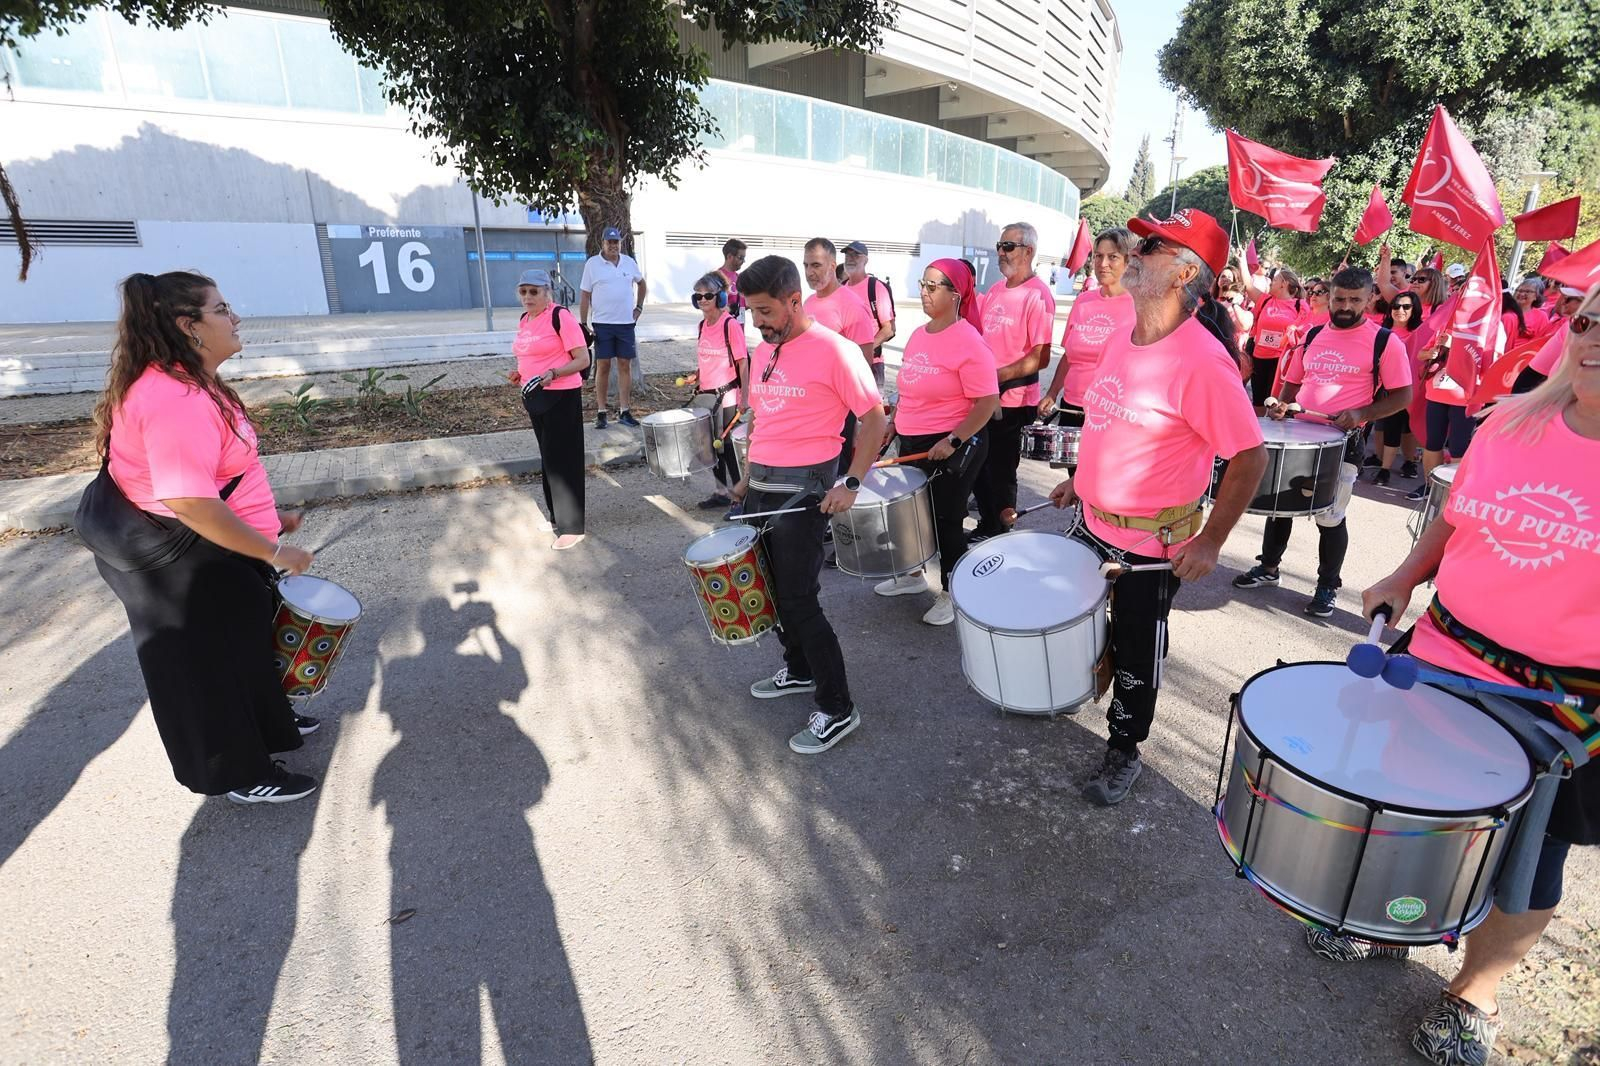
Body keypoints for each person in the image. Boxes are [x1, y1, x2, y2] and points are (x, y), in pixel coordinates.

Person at [1309, 285, 1600, 1066]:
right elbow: (1455, 518)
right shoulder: (1512, 420)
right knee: (1402, 806)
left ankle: (1475, 993)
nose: (1595, 338)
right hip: (1443, 654)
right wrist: (1405, 574)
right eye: (1588, 320)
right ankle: (1386, 919)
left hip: (1567, 702)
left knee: (1531, 856)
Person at [1048, 209, 1267, 805]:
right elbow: (1108, 419)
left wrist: (1212, 541)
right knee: (1074, 624)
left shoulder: (1202, 361)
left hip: (1150, 544)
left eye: (1154, 245)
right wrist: (1081, 483)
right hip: (1089, 521)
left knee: (1138, 649)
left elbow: (1249, 458)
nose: (1136, 250)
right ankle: (1065, 694)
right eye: (1140, 240)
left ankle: (1124, 749)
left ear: (1185, 272)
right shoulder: (1124, 332)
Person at [86, 271, 319, 805]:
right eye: (222, 309)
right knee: (208, 668)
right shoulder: (174, 398)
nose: (234, 317)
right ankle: (238, 772)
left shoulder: (190, 381)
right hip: (177, 557)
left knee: (244, 646)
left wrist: (267, 518)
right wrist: (274, 550)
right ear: (189, 326)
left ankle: (269, 725)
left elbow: (212, 476)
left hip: (204, 546)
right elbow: (187, 499)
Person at [731, 255, 887, 755]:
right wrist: (746, 477)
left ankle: (839, 707)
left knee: (799, 598)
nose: (758, 321)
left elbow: (875, 419)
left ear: (794, 301)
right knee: (770, 591)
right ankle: (798, 669)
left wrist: (853, 481)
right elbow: (760, 417)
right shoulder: (763, 349)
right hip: (762, 487)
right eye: (752, 312)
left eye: (765, 311)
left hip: (805, 490)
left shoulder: (836, 351)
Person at [1231, 266, 1414, 616]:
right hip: (1299, 434)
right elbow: (1292, 382)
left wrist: (1362, 414)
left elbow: (1403, 395)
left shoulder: (1384, 341)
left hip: (1343, 442)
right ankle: (1268, 568)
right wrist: (1282, 405)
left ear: (1370, 299)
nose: (1345, 306)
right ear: (1329, 298)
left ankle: (1328, 585)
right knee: (1279, 504)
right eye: (1339, 299)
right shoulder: (1313, 335)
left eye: (1354, 300)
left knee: (1330, 516)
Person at [872, 259, 999, 624]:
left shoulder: (969, 342)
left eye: (933, 287)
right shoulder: (918, 335)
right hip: (912, 438)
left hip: (951, 444)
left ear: (956, 295)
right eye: (923, 284)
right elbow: (909, 390)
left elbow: (987, 403)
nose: (924, 292)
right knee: (910, 517)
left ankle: (952, 590)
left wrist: (954, 440)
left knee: (945, 519)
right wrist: (894, 423)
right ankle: (912, 577)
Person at [972, 221, 1056, 539]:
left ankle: (1002, 529)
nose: (1001, 252)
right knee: (977, 464)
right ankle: (988, 522)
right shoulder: (994, 290)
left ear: (1028, 251)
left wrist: (996, 376)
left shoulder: (1039, 296)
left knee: (1001, 469)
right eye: (1000, 246)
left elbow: (1041, 357)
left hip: (1014, 399)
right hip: (985, 394)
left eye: (1008, 246)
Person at [506, 269, 592, 549]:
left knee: (564, 460)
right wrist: (519, 373)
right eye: (523, 291)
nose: (528, 297)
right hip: (534, 396)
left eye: (534, 291)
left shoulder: (561, 317)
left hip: (561, 395)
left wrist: (553, 373)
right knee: (548, 457)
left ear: (547, 292)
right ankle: (558, 514)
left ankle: (573, 527)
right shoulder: (525, 320)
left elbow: (582, 359)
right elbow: (529, 355)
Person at [1040, 227, 1136, 429]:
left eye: (1113, 257)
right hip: (1071, 407)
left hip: (1111, 412)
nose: (1103, 264)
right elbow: (1068, 356)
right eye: (1099, 256)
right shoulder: (1083, 301)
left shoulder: (1138, 306)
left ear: (1129, 261)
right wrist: (1052, 392)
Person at [1410, 304, 1504, 501]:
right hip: (1436, 393)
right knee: (1432, 443)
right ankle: (1430, 486)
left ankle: (1453, 492)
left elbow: (1492, 360)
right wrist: (1432, 353)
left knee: (1458, 447)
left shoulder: (1492, 326)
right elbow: (1423, 353)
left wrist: (1458, 346)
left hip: (1466, 398)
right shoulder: (1446, 324)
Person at [689, 271, 750, 512]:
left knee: (725, 447)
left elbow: (743, 362)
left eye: (708, 295)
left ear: (721, 298)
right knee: (710, 447)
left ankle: (739, 496)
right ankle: (720, 492)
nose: (703, 300)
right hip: (706, 394)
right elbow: (706, 356)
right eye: (698, 296)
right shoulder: (702, 325)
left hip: (727, 396)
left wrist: (745, 396)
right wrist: (697, 374)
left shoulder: (730, 325)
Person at [579, 226, 646, 430]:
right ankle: (601, 412)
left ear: (620, 243)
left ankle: (625, 411)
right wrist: (583, 323)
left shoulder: (629, 263)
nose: (613, 245)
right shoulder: (592, 264)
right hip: (603, 325)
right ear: (603, 243)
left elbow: (642, 285)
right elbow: (585, 295)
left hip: (625, 324)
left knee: (624, 365)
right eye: (609, 242)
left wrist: (639, 308)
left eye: (616, 242)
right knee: (603, 366)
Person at [1371, 290, 1425, 484]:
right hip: (1379, 387)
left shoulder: (1421, 333)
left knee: (1406, 428)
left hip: (1408, 388)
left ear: (1414, 309)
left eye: (1406, 306)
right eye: (1396, 306)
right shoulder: (1380, 331)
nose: (1399, 310)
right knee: (1384, 426)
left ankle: (1400, 464)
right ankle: (1383, 465)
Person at [1241, 263, 1307, 410]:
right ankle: (1260, 431)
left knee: (1273, 403)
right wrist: (1242, 260)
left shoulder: (1300, 305)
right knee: (1258, 401)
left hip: (1280, 361)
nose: (1271, 281)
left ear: (1284, 284)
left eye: (1275, 280)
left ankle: (1272, 431)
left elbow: (1305, 330)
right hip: (1259, 358)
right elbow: (1248, 285)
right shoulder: (1265, 300)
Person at [841, 240, 897, 389]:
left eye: (856, 255)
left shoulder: (875, 287)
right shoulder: (840, 289)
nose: (850, 259)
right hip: (842, 366)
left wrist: (863, 349)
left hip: (870, 366)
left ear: (866, 260)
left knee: (872, 413)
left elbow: (889, 328)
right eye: (847, 255)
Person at [716, 238, 747, 320]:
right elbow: (711, 307)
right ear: (729, 256)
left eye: (744, 258)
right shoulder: (716, 278)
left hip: (739, 330)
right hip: (725, 329)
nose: (743, 261)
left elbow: (744, 305)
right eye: (741, 257)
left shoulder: (739, 278)